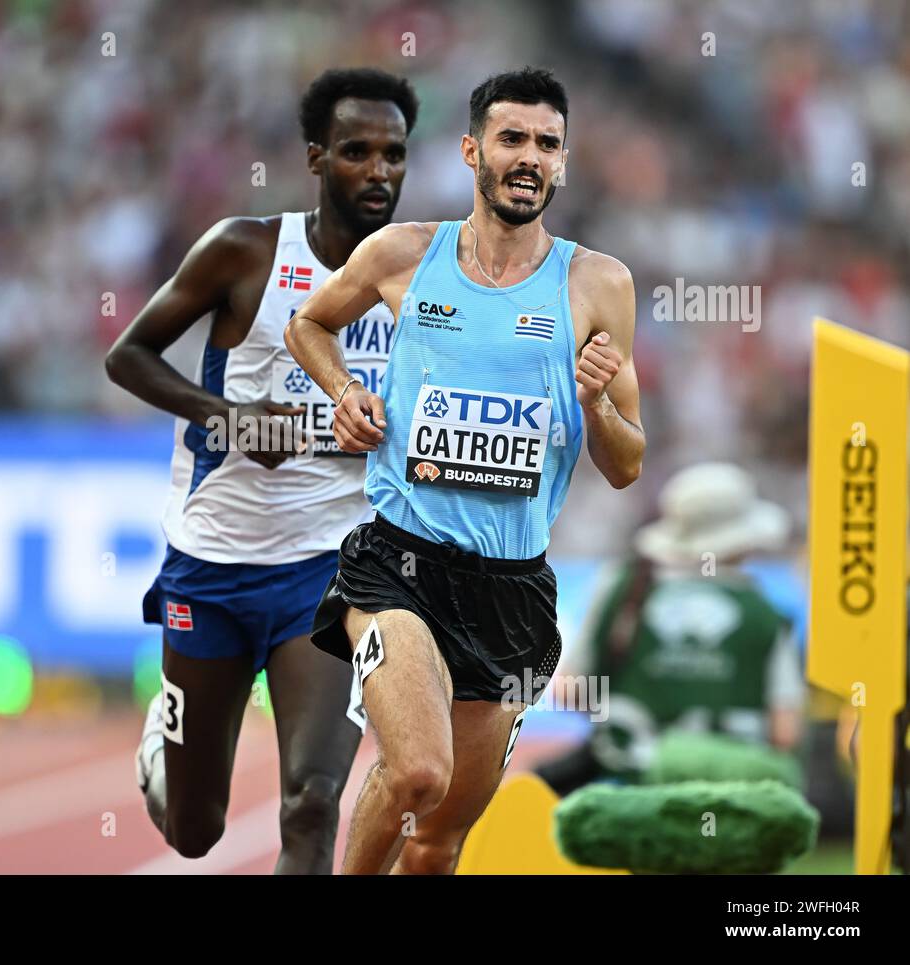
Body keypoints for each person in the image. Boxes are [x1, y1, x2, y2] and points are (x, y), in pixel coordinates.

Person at [284, 66, 644, 874]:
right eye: (512, 138)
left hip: (512, 589)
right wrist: (343, 390)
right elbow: (308, 323)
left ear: (564, 162)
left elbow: (627, 462)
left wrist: (596, 408)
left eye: (547, 144)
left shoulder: (599, 283)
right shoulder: (403, 253)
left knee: (441, 839)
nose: (529, 158)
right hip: (399, 567)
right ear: (472, 149)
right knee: (417, 769)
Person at [105, 68, 419, 873]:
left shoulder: (422, 280)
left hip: (330, 571)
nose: (378, 171)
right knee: (194, 828)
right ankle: (161, 751)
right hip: (213, 560)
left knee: (312, 803)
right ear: (317, 158)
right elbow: (126, 355)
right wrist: (230, 418)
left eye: (393, 154)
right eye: (356, 151)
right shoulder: (246, 250)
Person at [535, 462, 805, 796]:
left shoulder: (624, 587)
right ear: (743, 539)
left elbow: (569, 692)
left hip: (628, 795)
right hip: (728, 801)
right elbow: (784, 733)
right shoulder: (765, 611)